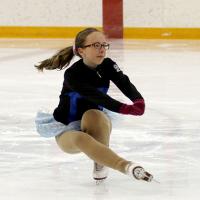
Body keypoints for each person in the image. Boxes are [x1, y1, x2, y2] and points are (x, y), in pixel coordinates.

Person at [35, 27, 153, 183]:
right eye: (96, 45)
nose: (102, 50)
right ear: (81, 51)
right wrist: (124, 108)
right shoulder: (73, 74)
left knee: (95, 114)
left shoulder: (108, 65)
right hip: (66, 128)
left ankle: (100, 161)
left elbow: (124, 82)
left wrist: (138, 100)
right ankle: (127, 167)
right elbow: (97, 97)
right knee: (80, 138)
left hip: (93, 122)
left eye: (104, 45)